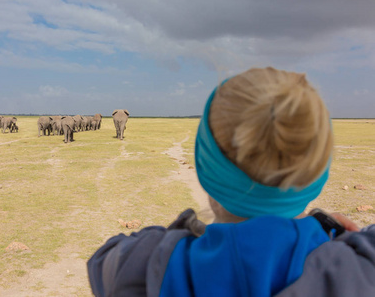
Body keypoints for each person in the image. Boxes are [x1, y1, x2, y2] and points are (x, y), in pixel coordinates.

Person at [87, 67, 375, 296]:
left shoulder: (149, 266)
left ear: (204, 166)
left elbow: (103, 259)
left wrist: (188, 229)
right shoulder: (360, 269)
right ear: (317, 173)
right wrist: (329, 226)